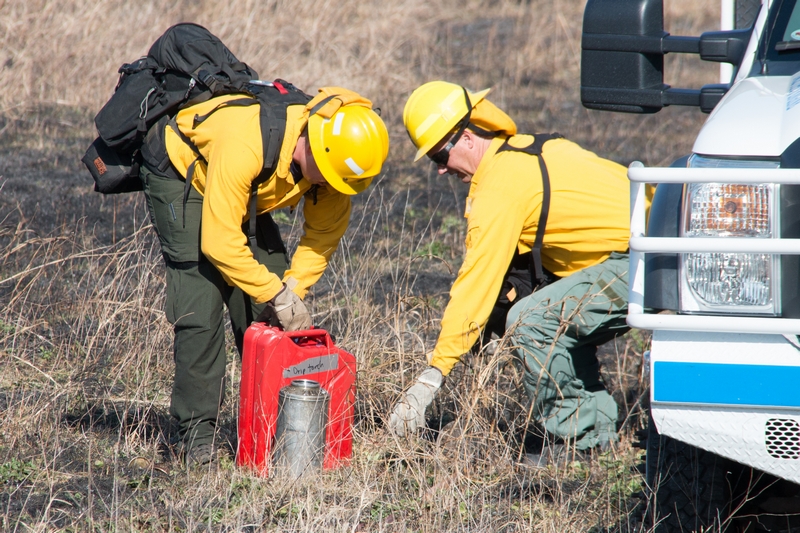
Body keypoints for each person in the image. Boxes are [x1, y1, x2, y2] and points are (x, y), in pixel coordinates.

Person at [138, 82, 389, 466]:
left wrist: (290, 290)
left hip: (245, 191)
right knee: (201, 306)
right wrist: (277, 293)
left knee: (267, 310)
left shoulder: (333, 165)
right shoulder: (248, 141)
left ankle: (275, 428)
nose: (327, 186)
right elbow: (220, 244)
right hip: (185, 175)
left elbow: (321, 236)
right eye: (324, 176)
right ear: (313, 144)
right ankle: (196, 438)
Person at [390, 80, 634, 459]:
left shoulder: (500, 187)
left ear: (467, 138)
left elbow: (475, 283)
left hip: (650, 262)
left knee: (531, 318)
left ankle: (580, 442)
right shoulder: (528, 150)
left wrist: (432, 376)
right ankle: (598, 434)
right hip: (649, 250)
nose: (440, 171)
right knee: (548, 303)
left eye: (439, 156)